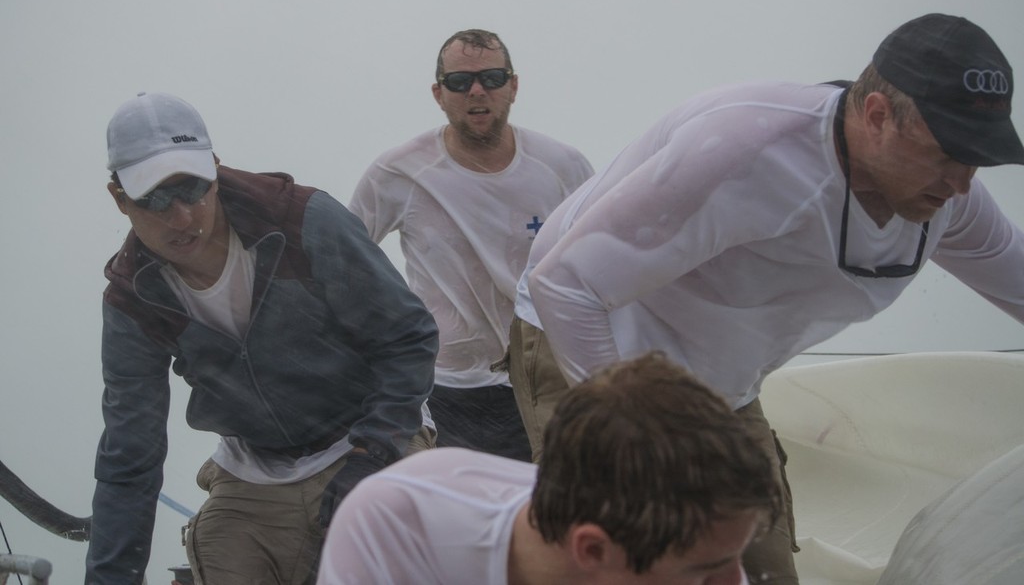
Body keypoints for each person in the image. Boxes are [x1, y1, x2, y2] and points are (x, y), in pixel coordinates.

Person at [509, 13, 1024, 584]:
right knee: (633, 563)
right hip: (590, 341)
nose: (962, 182)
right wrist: (640, 441)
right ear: (877, 115)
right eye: (947, 154)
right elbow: (564, 286)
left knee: (764, 571)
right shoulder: (748, 151)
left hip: (721, 385)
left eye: (978, 158)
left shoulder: (951, 202)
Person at [86, 92, 439, 585]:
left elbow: (409, 336)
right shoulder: (131, 301)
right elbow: (130, 456)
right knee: (218, 549)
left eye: (191, 188)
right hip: (254, 470)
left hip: (368, 436)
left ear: (214, 166)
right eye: (154, 198)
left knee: (397, 546)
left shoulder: (303, 219)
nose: (182, 217)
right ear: (119, 198)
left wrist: (372, 451)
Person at [316, 351, 782, 585]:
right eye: (702, 573)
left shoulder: (697, 541)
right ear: (594, 550)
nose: (733, 582)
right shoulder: (402, 524)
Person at [349, 29, 592, 462]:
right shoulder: (398, 172)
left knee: (558, 508)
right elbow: (343, 263)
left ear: (513, 86)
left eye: (492, 78)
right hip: (445, 387)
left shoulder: (563, 167)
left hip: (544, 378)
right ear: (439, 93)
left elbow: (597, 265)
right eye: (460, 82)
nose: (477, 91)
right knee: (460, 521)